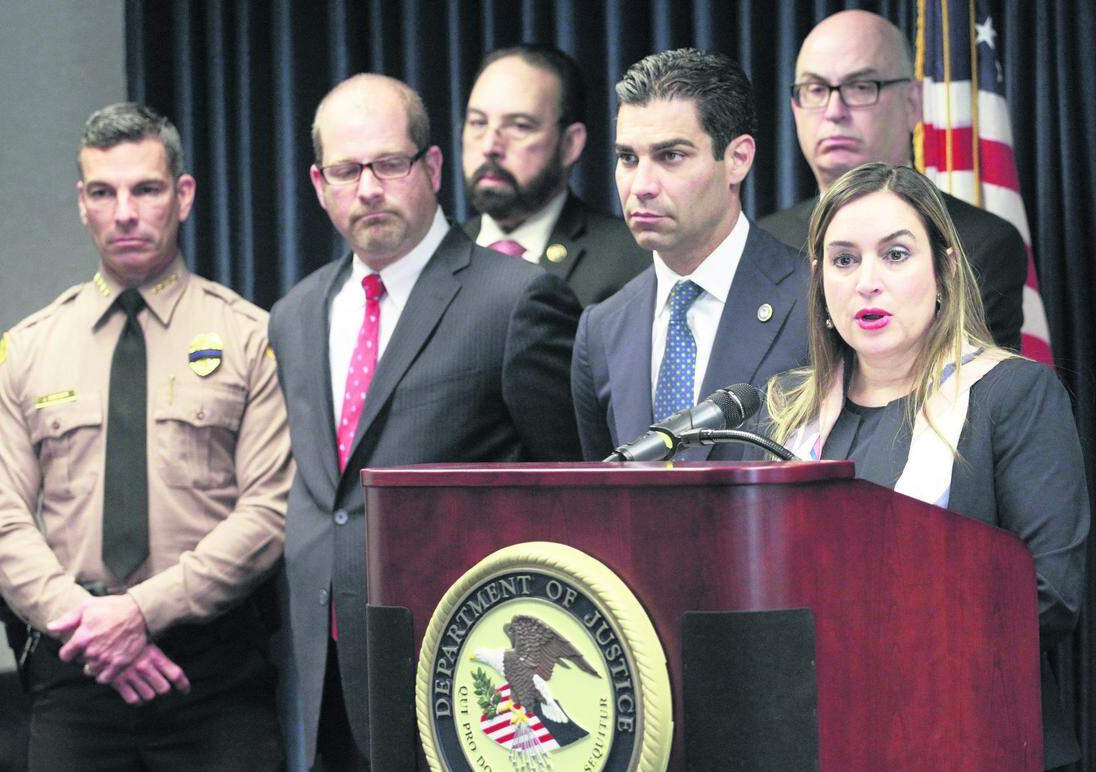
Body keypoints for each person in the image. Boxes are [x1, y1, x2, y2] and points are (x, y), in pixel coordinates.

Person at [268, 73, 582, 768]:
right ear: (319, 184)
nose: (369, 189)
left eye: (389, 164)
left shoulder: (517, 301)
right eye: (347, 171)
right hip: (319, 679)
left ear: (433, 167)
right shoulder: (294, 314)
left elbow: (576, 494)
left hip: (463, 673)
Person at [0, 103, 291, 768]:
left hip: (214, 672)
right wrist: (90, 624)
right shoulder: (29, 349)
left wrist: (141, 612)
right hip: (75, 669)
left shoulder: (250, 337)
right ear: (81, 204)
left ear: (183, 195)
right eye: (103, 192)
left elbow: (270, 512)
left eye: (145, 189)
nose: (124, 212)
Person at [762, 162, 1088, 770]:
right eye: (844, 260)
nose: (867, 283)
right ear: (818, 281)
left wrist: (864, 652)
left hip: (977, 738)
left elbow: (1047, 598)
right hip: (821, 745)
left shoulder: (1011, 396)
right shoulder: (781, 416)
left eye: (896, 255)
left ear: (945, 271)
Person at [571, 48, 809, 462]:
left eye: (671, 156)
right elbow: (600, 493)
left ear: (737, 159)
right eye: (628, 158)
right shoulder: (602, 328)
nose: (641, 185)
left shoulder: (814, 299)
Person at [758, 9, 1027, 351]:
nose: (834, 109)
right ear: (796, 107)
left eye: (860, 87)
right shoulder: (763, 243)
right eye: (815, 89)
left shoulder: (980, 244)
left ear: (912, 103)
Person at [461, 44, 649, 305]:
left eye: (519, 126)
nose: (490, 146)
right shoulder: (435, 255)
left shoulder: (633, 262)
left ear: (570, 143)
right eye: (478, 123)